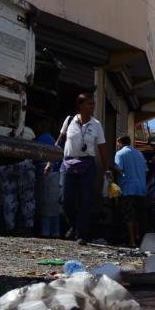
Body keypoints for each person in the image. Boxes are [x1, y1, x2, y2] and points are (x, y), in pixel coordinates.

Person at [47, 94, 110, 245]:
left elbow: (102, 149)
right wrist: (50, 161)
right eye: (89, 104)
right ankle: (75, 226)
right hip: (68, 163)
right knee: (65, 200)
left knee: (85, 201)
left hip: (87, 164)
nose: (92, 107)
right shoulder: (69, 120)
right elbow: (58, 142)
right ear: (80, 106)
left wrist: (107, 171)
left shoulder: (96, 125)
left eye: (93, 104)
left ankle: (82, 234)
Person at [114, 135, 147, 247]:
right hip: (141, 189)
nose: (117, 146)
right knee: (138, 216)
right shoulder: (139, 154)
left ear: (120, 142)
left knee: (129, 216)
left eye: (117, 143)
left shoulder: (120, 154)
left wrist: (110, 167)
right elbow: (146, 170)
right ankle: (138, 239)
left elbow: (119, 169)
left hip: (128, 189)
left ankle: (132, 242)